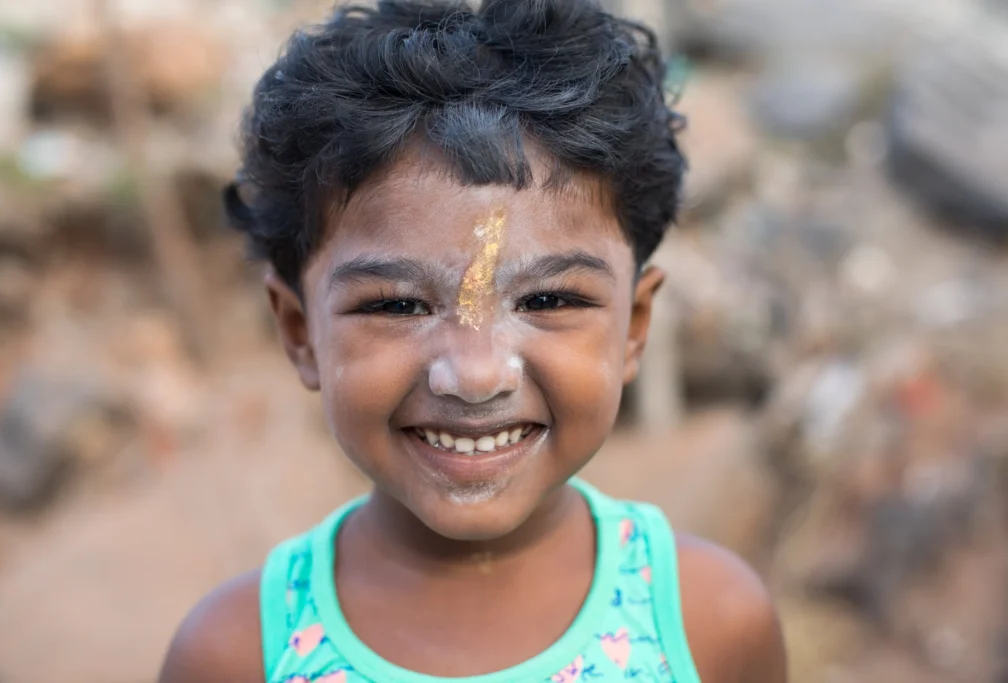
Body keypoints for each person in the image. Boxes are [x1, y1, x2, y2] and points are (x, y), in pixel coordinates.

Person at [158, 0, 787, 680]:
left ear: (633, 326)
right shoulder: (237, 655)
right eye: (397, 304)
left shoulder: (709, 623)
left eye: (548, 299)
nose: (476, 373)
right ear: (299, 331)